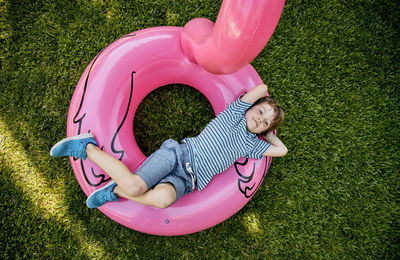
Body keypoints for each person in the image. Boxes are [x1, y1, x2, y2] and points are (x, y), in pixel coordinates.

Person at [50, 84, 287, 209]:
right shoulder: (234, 114)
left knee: (163, 200)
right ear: (250, 106)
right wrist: (265, 104)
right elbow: (260, 87)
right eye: (259, 112)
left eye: (265, 122)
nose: (259, 119)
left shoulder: (252, 145)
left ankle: (114, 191)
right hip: (178, 155)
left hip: (188, 181)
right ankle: (87, 148)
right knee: (135, 187)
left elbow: (282, 150)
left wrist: (267, 132)